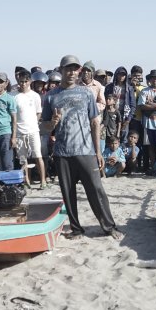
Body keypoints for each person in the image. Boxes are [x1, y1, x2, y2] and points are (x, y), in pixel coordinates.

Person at [41, 55, 122, 239]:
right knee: (68, 194)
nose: (71, 72)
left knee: (97, 190)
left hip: (86, 151)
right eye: (68, 69)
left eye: (74, 69)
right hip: (62, 152)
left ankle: (109, 227)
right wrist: (52, 123)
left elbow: (95, 122)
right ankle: (76, 229)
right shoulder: (51, 96)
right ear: (61, 70)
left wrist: (98, 151)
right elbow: (44, 127)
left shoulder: (86, 93)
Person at [14, 70, 47, 188]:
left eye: (25, 81)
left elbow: (39, 112)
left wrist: (34, 123)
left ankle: (43, 181)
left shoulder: (35, 96)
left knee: (38, 156)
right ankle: (26, 180)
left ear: (30, 81)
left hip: (33, 131)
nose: (23, 84)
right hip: (19, 132)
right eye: (21, 81)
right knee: (23, 159)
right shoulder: (15, 96)